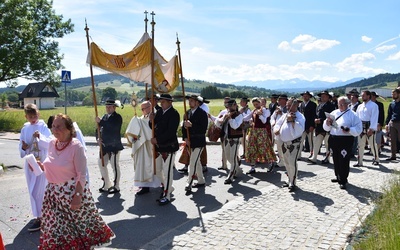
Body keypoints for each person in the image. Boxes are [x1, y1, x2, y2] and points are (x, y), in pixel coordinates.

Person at [38, 114, 114, 248]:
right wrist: (43, 167)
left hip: (71, 193)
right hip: (53, 195)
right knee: (54, 231)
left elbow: (81, 175)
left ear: (69, 128)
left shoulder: (76, 146)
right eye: (53, 126)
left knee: (77, 231)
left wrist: (77, 197)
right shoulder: (51, 143)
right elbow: (54, 166)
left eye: (59, 126)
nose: (55, 130)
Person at [19, 104, 52, 232]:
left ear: (38, 114)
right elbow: (21, 144)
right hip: (30, 162)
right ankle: (38, 215)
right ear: (26, 116)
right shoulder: (25, 128)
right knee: (32, 190)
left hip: (41, 162)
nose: (33, 119)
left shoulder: (43, 127)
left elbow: (50, 142)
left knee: (39, 190)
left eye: (35, 116)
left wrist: (40, 138)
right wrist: (23, 147)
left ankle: (41, 217)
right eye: (30, 116)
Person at [323, 97, 362, 189]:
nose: (340, 106)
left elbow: (359, 129)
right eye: (339, 104)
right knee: (335, 158)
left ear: (347, 104)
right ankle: (338, 176)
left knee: (343, 160)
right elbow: (326, 127)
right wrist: (327, 123)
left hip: (345, 140)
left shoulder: (353, 115)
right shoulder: (334, 113)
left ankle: (344, 179)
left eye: (342, 104)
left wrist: (349, 129)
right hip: (333, 138)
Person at [150, 94, 180, 205]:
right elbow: (153, 126)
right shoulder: (159, 112)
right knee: (157, 170)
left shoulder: (174, 114)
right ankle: (168, 187)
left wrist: (157, 140)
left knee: (167, 172)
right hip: (159, 148)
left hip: (169, 147)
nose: (161, 103)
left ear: (169, 102)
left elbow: (170, 132)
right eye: (161, 101)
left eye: (163, 102)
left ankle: (166, 195)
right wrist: (151, 120)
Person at [125, 101, 161, 195]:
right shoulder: (140, 119)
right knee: (142, 167)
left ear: (150, 107)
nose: (143, 111)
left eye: (144, 108)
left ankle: (163, 185)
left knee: (157, 167)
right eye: (142, 109)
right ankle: (145, 186)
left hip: (152, 145)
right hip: (141, 147)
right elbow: (135, 131)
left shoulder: (157, 116)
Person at [273, 97, 305, 192]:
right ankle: (289, 179)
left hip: (293, 143)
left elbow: (300, 129)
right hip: (283, 142)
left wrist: (292, 121)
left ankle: (293, 181)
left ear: (295, 105)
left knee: (292, 162)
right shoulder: (285, 115)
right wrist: (276, 130)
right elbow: (278, 124)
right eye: (287, 105)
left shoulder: (299, 116)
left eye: (289, 105)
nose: (287, 106)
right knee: (286, 162)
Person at [95, 99, 124, 194]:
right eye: (106, 107)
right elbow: (98, 129)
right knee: (101, 164)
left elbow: (113, 128)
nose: (108, 109)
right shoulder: (104, 117)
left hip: (114, 145)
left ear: (114, 107)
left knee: (114, 166)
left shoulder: (118, 117)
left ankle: (116, 186)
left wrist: (101, 122)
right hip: (104, 146)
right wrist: (97, 139)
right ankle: (107, 184)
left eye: (109, 107)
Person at [182, 95, 209, 194]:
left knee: (192, 162)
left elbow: (203, 129)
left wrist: (192, 125)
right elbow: (183, 127)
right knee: (196, 162)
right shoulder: (187, 113)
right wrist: (185, 137)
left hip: (199, 142)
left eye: (192, 101)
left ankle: (189, 182)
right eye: (189, 101)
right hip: (190, 141)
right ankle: (201, 180)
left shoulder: (202, 114)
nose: (190, 103)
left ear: (197, 103)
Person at [244, 97, 276, 174]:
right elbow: (247, 118)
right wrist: (239, 117)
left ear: (260, 103)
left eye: (257, 104)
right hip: (254, 131)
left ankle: (271, 163)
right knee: (252, 148)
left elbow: (264, 121)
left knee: (263, 148)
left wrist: (260, 115)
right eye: (254, 104)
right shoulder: (254, 110)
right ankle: (252, 167)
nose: (256, 106)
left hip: (262, 131)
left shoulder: (264, 110)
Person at [215, 100, 244, 184]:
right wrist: (221, 120)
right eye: (229, 106)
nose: (230, 107)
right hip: (227, 138)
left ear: (235, 106)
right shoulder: (226, 114)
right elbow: (217, 123)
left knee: (233, 157)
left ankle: (231, 176)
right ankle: (237, 169)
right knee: (228, 157)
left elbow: (235, 126)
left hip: (235, 138)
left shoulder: (239, 115)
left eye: (232, 106)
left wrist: (230, 118)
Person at [354, 90, 380, 167]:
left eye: (364, 95)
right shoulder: (360, 106)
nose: (362, 97)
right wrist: (357, 127)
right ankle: (359, 161)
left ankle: (376, 159)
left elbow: (374, 117)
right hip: (361, 126)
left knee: (372, 144)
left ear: (369, 96)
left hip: (369, 126)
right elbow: (357, 117)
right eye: (362, 95)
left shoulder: (374, 105)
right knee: (360, 145)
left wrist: (371, 128)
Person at [309, 91, 335, 164]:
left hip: (327, 128)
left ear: (328, 97)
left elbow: (331, 118)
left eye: (324, 96)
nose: (322, 97)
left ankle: (327, 158)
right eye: (321, 96)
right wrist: (315, 120)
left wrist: (320, 120)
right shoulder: (319, 105)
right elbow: (315, 115)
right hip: (319, 128)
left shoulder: (331, 106)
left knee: (327, 144)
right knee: (316, 142)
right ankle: (314, 157)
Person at [210, 97, 231, 170]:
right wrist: (210, 116)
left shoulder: (234, 112)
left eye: (227, 102)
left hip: (231, 134)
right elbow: (217, 119)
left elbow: (221, 120)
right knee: (224, 149)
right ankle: (224, 165)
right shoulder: (223, 112)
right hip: (223, 133)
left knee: (231, 151)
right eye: (225, 102)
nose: (226, 104)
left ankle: (235, 164)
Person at [299, 91, 317, 158]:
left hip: (310, 126)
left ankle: (312, 154)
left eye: (306, 95)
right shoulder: (301, 105)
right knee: (301, 141)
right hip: (302, 126)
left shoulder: (313, 104)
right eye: (304, 96)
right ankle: (299, 155)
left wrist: (312, 125)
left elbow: (314, 116)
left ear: (309, 96)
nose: (305, 97)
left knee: (311, 142)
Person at [385, 88, 400, 161]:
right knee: (392, 140)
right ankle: (393, 155)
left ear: (398, 94)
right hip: (392, 123)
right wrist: (387, 123)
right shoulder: (392, 104)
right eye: (392, 94)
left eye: (394, 94)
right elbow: (389, 114)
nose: (392, 95)